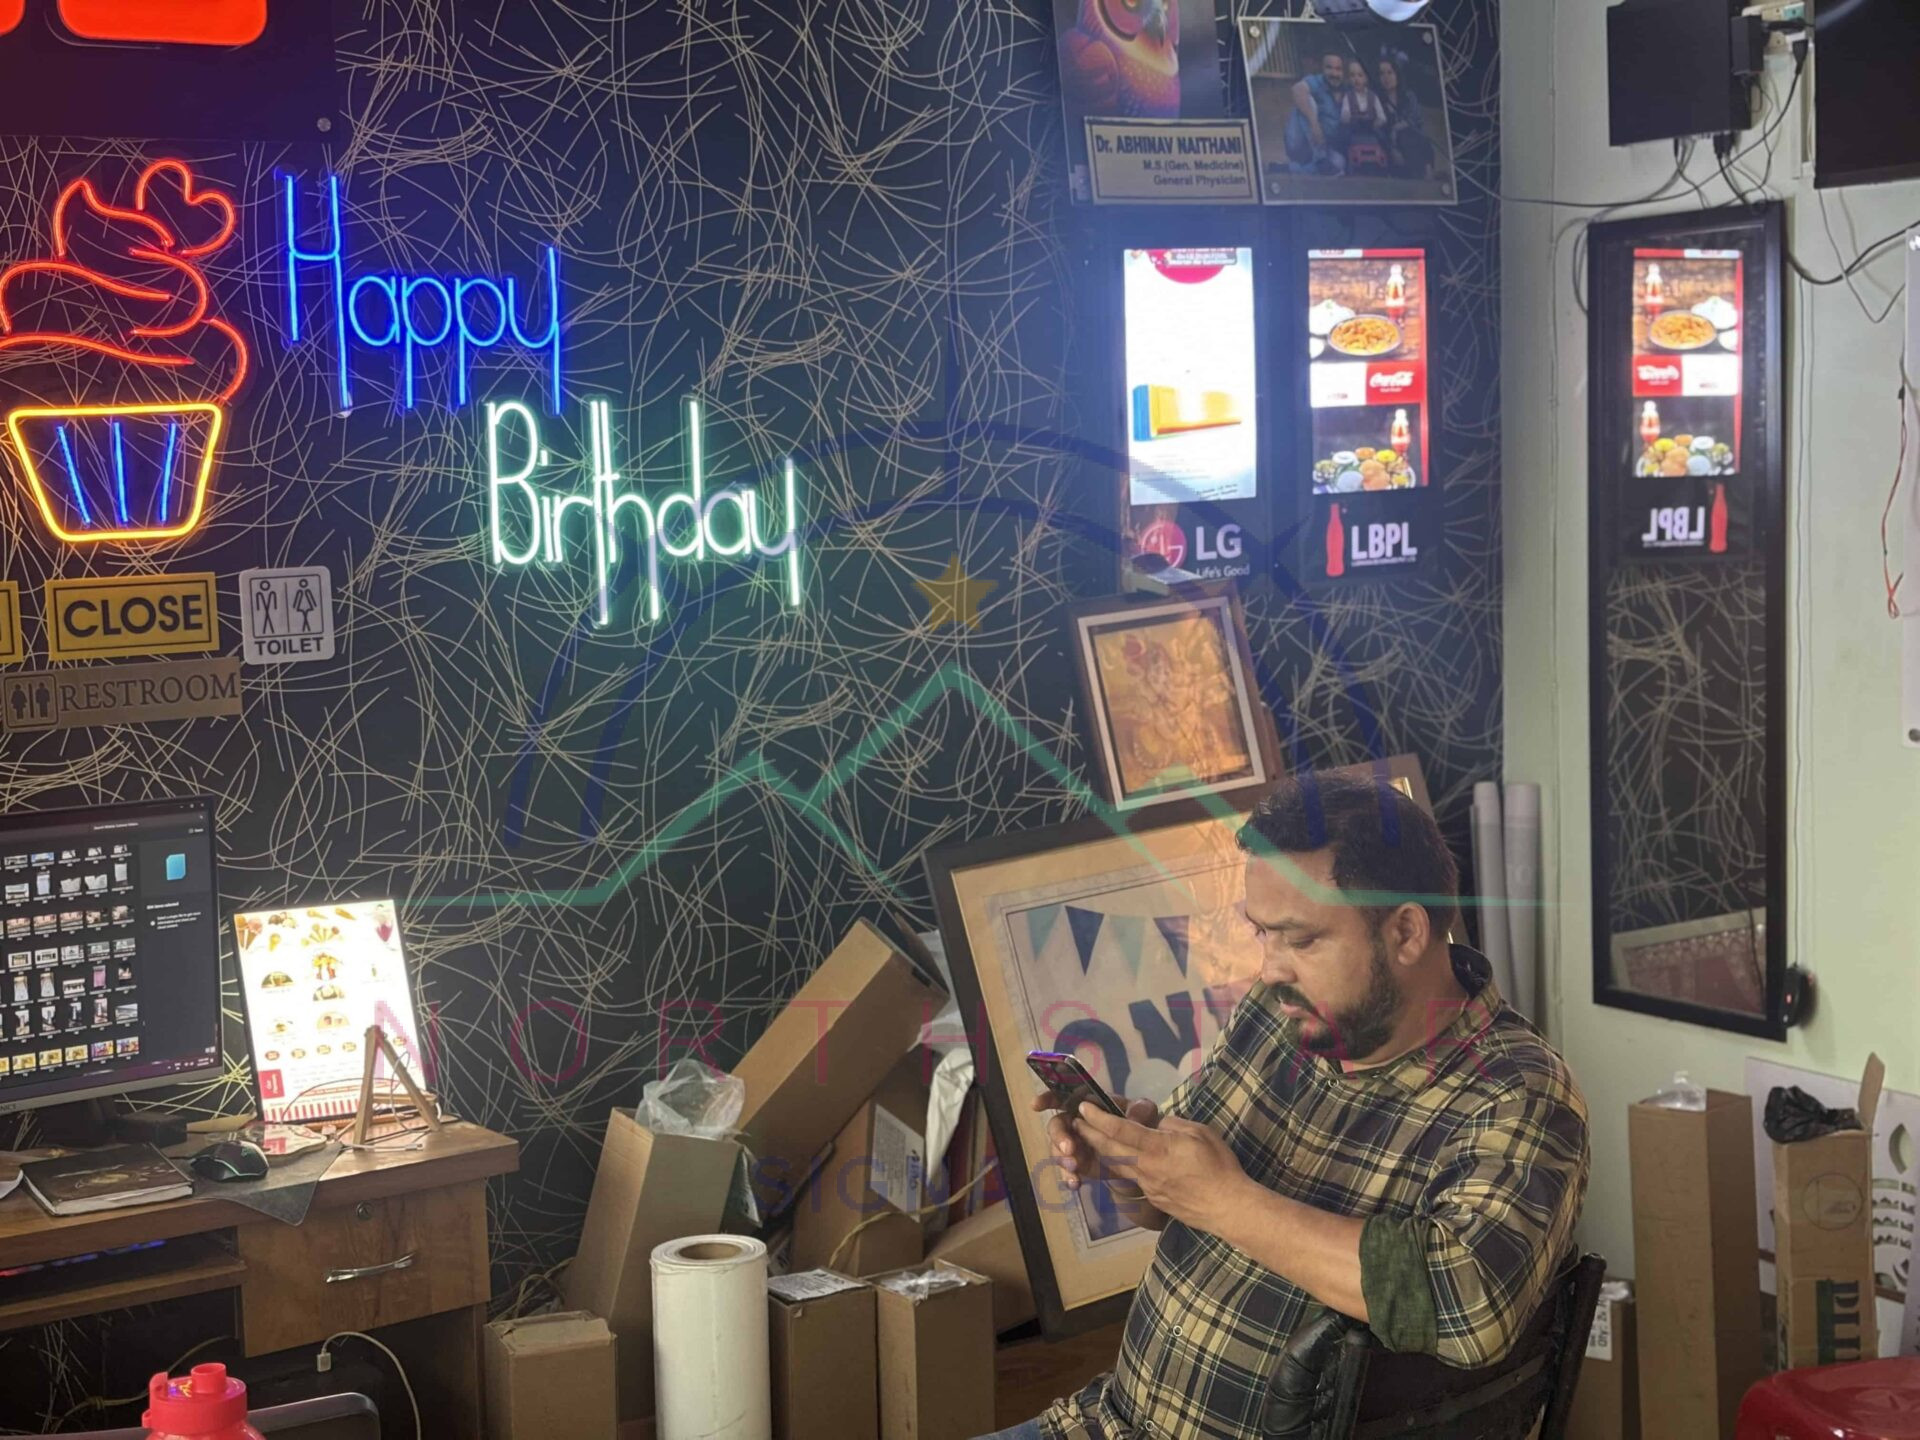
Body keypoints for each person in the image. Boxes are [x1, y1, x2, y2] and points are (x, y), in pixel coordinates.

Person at [976, 772, 1590, 1440]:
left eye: (1301, 940)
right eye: (1262, 933)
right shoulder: (1282, 1016)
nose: (1270, 968)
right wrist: (1132, 1163)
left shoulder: (1516, 1092)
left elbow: (1470, 1305)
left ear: (1407, 931)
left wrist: (1224, 1199)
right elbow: (1163, 1207)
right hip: (1111, 1420)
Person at [1283, 48, 1348, 175]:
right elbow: (1297, 90)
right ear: (1322, 69)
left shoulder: (1347, 90)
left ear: (1343, 72)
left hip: (1324, 145)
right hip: (1299, 142)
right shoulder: (1316, 81)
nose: (1334, 73)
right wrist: (1315, 124)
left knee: (1339, 164)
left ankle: (1290, 169)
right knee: (1308, 101)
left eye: (1338, 69)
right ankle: (1320, 158)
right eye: (1329, 68)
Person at [1377, 49, 1436, 180]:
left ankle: (1426, 171)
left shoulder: (1409, 97)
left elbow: (1415, 120)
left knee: (1413, 137)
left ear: (1397, 74)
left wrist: (1396, 129)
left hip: (1414, 143)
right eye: (1382, 74)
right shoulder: (1377, 100)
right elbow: (1379, 131)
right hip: (1389, 147)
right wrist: (1392, 146)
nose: (1386, 78)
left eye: (1390, 73)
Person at [1337, 58, 1390, 176]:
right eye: (1352, 76)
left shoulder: (1373, 96)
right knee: (1343, 137)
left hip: (1370, 128)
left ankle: (1386, 165)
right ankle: (1347, 163)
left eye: (1360, 75)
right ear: (1349, 79)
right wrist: (1348, 117)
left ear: (1366, 78)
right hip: (1354, 128)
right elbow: (1344, 116)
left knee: (1384, 139)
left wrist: (1376, 122)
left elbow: (1382, 117)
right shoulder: (1348, 96)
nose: (1356, 79)